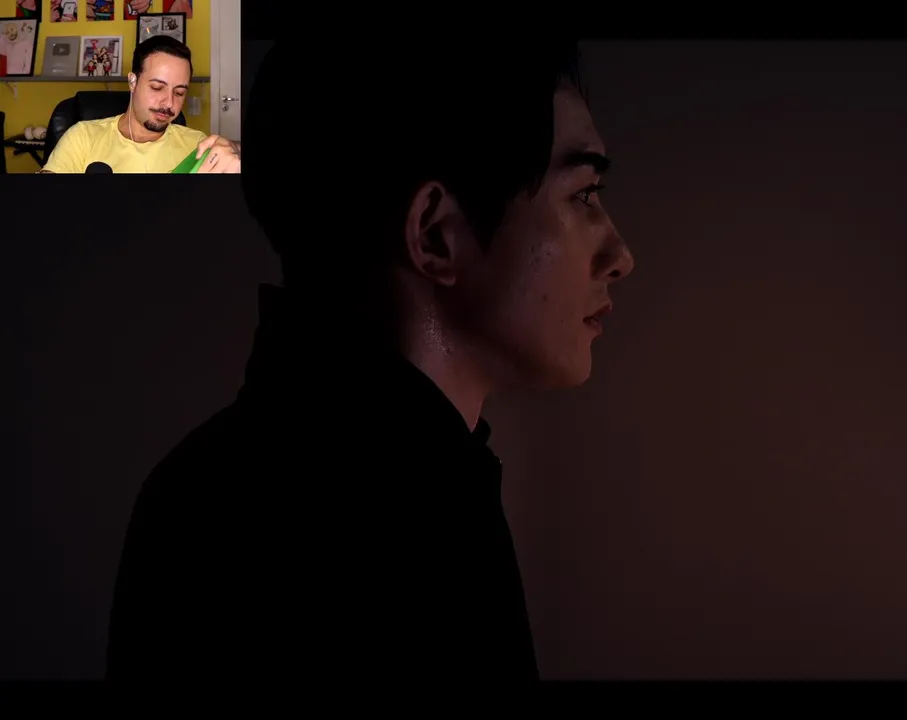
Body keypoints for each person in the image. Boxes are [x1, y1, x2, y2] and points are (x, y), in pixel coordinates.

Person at [103, 38, 634, 680]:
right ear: (435, 234)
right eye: (584, 195)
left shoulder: (197, 489)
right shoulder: (408, 525)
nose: (620, 257)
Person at [40, 36, 239, 174]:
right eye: (157, 88)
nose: (169, 103)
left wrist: (236, 150)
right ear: (133, 82)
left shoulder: (198, 146)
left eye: (179, 92)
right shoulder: (82, 137)